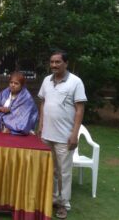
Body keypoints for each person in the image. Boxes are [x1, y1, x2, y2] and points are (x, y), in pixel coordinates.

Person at [37, 50, 87, 219]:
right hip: (46, 135)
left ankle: (63, 204)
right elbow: (43, 102)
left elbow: (80, 109)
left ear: (66, 63)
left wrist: (75, 134)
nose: (54, 65)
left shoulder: (75, 82)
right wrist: (41, 124)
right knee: (48, 170)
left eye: (58, 62)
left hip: (65, 137)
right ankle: (50, 199)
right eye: (52, 62)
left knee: (64, 172)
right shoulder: (46, 80)